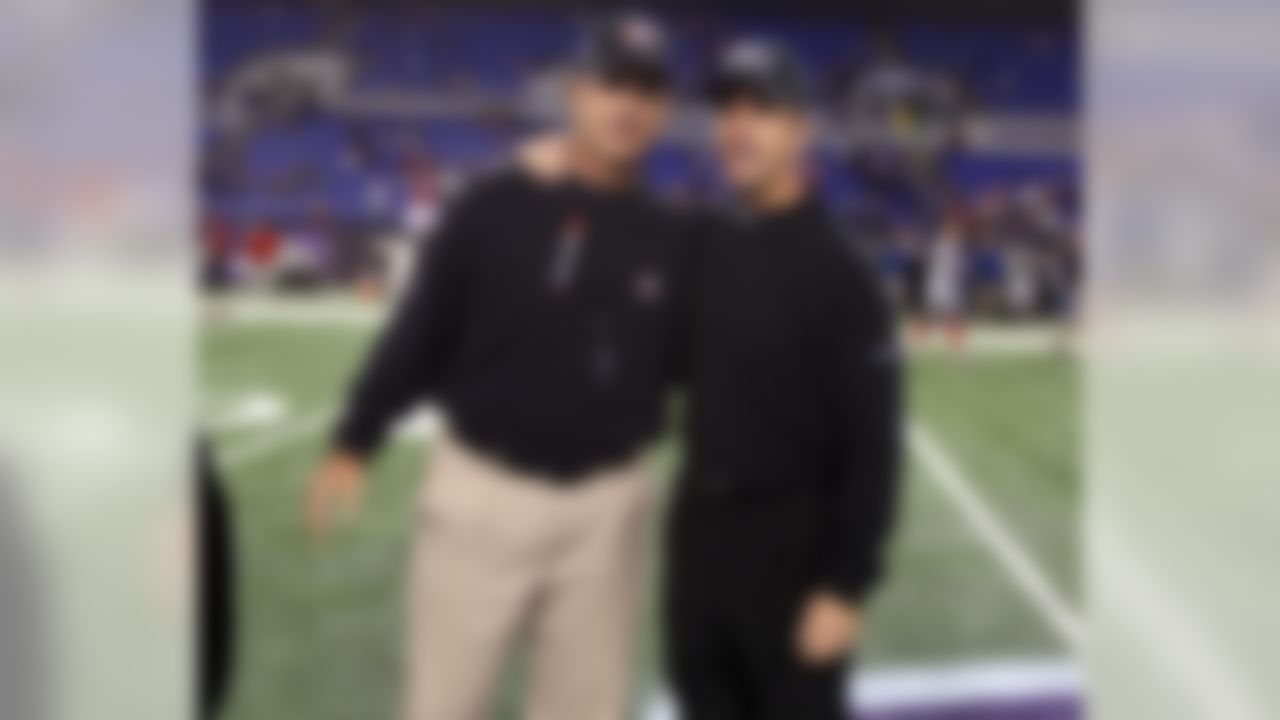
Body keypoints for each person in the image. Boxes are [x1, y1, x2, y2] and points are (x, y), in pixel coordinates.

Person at [305, 14, 684, 720]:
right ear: (576, 92)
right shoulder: (493, 205)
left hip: (608, 512)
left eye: (646, 90)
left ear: (664, 111)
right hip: (482, 497)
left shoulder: (673, 237)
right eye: (611, 84)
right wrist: (357, 437)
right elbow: (421, 329)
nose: (626, 105)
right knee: (444, 707)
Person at [667, 40, 902, 719]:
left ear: (802, 129)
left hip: (792, 551)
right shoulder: (707, 243)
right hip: (700, 540)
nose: (738, 127)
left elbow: (872, 449)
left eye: (761, 110)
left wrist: (845, 585)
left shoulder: (843, 274)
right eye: (728, 110)